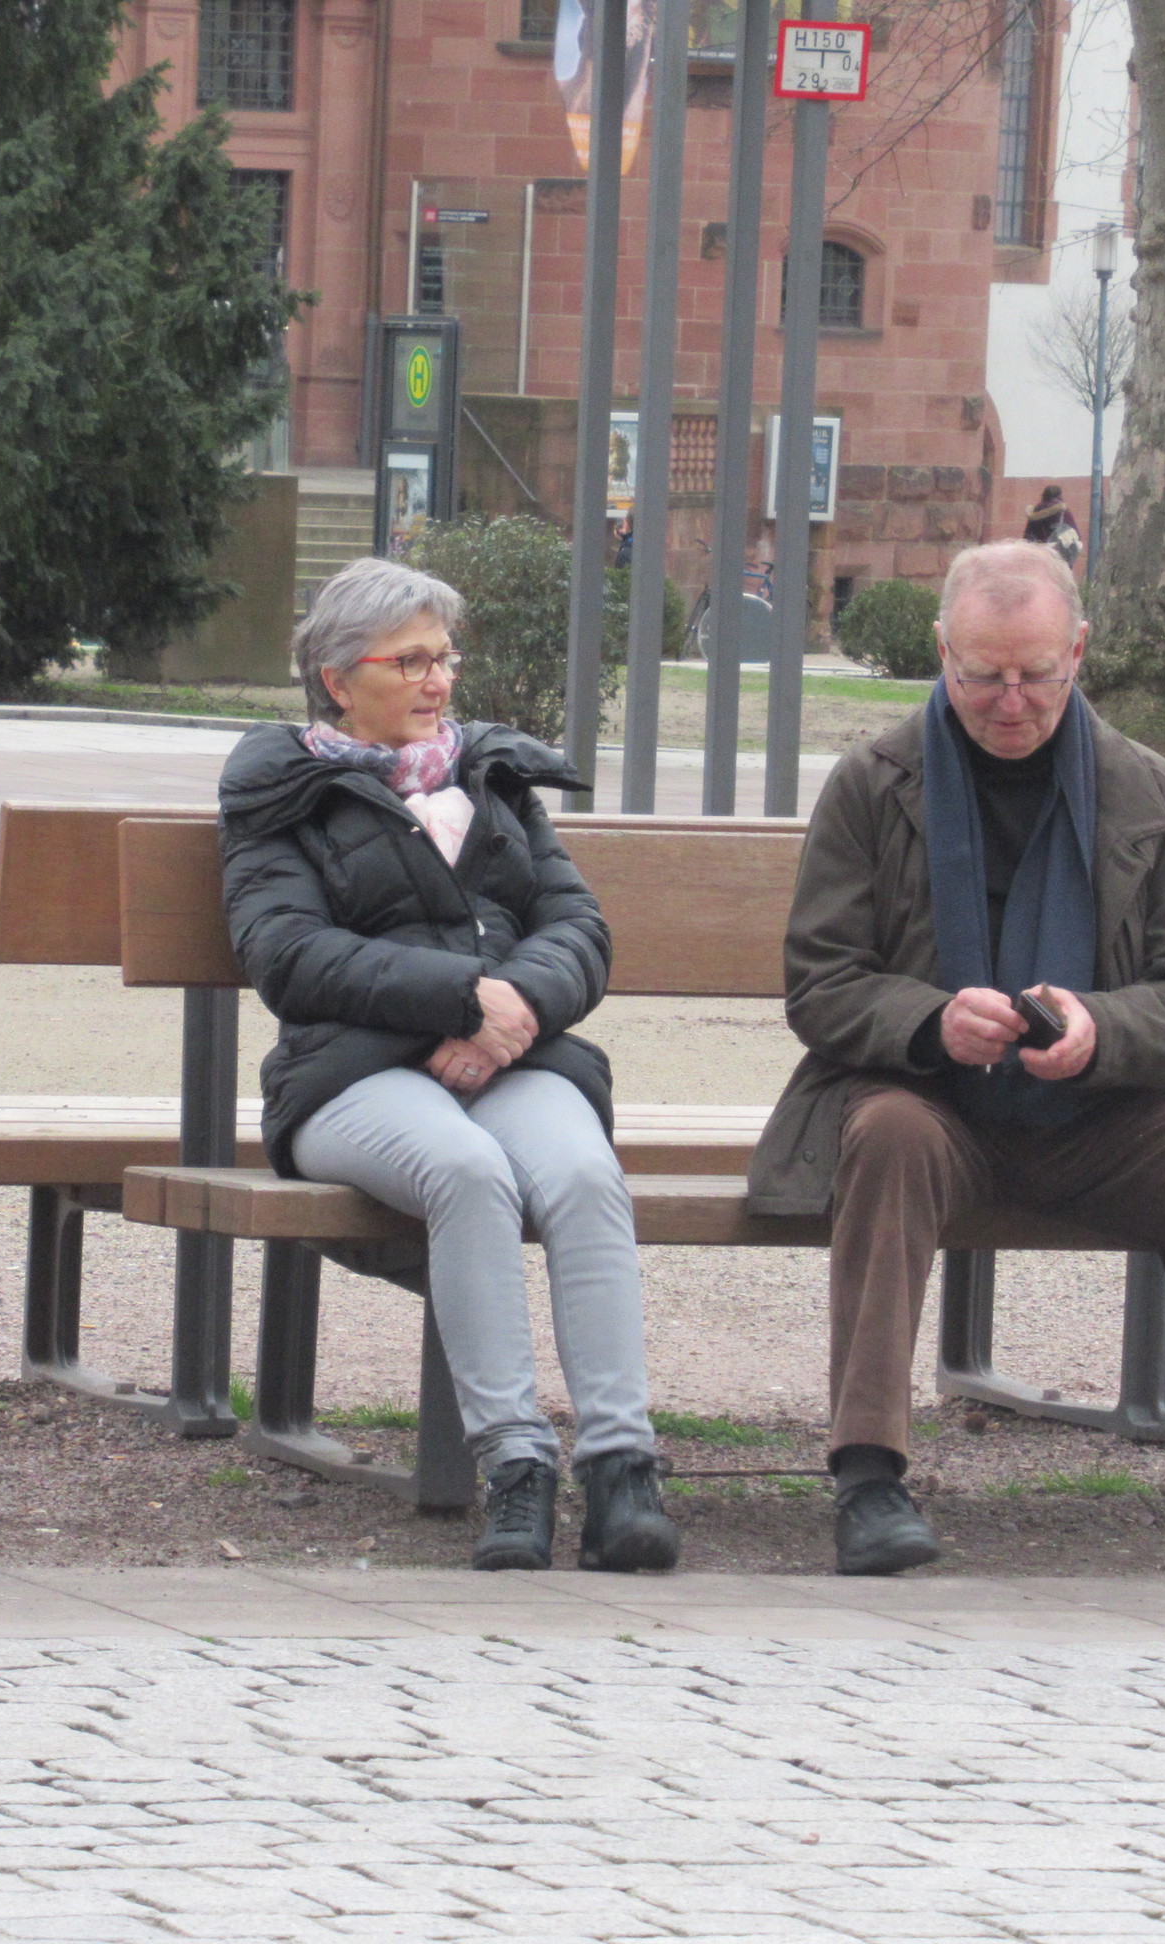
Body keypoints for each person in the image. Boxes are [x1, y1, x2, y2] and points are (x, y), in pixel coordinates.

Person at [747, 540, 1165, 1587]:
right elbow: (821, 982)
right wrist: (932, 1021)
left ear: (1079, 651)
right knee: (886, 1136)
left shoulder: (1152, 794)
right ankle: (869, 1479)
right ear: (941, 653)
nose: (1010, 700)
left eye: (1036, 674)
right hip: (930, 1103)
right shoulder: (872, 785)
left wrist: (1102, 1029)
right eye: (982, 674)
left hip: (1107, 1116)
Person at [218, 555, 682, 1574]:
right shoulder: (281, 789)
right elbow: (285, 953)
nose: (439, 681)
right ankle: (515, 1465)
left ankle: (621, 1467)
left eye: (445, 658)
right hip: (348, 1077)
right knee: (466, 1172)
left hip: (510, 1058)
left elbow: (576, 926)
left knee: (584, 1173)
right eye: (412, 662)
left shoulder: (490, 774)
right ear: (338, 679)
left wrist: (509, 1013)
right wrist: (463, 996)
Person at [1024, 485, 1082, 566]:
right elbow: (1074, 532)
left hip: (1039, 550)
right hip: (1058, 551)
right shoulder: (1063, 510)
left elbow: (1028, 533)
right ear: (1059, 495)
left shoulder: (1036, 509)